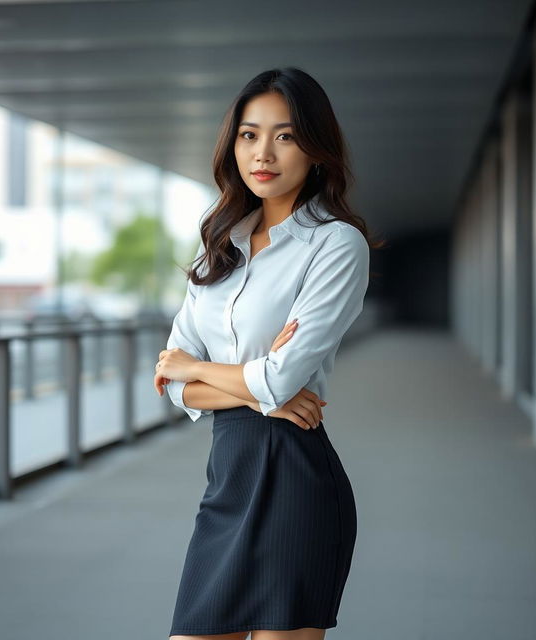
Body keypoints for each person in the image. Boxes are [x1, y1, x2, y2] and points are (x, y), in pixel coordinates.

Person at [154, 67, 382, 640]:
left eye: (285, 135)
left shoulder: (335, 243)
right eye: (249, 134)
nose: (264, 152)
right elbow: (171, 383)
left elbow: (271, 379)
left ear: (316, 148)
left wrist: (199, 368)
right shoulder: (218, 246)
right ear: (232, 145)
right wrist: (256, 391)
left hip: (296, 487)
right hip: (226, 481)